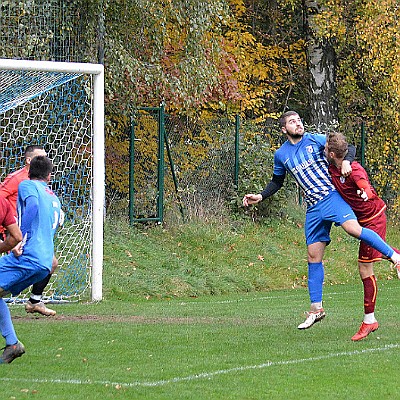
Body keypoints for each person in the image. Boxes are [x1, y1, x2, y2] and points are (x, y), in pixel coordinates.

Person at [242, 111, 400, 330]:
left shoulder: (314, 140)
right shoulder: (281, 155)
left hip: (331, 197)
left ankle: (395, 256)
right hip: (313, 208)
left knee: (353, 229)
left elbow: (348, 147)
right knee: (313, 255)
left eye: (298, 120)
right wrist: (260, 196)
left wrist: (346, 161)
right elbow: (277, 181)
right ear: (283, 129)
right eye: (292, 122)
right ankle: (317, 309)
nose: (297, 123)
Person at [325, 131, 400, 340]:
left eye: (325, 149)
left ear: (331, 153)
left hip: (373, 219)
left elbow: (362, 182)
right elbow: (350, 151)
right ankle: (397, 258)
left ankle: (369, 321)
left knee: (365, 267)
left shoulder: (353, 169)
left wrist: (365, 191)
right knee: (373, 259)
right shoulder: (333, 166)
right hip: (365, 221)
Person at [0, 156, 62, 364]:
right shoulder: (53, 197)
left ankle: (13, 343)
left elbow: (32, 207)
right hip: (44, 264)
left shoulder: (27, 185)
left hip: (28, 257)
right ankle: (12, 344)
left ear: (28, 171)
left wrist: (21, 238)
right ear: (49, 176)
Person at [0, 145, 57, 316]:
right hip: (10, 229)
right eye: (40, 157)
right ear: (29, 160)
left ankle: (34, 300)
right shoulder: (19, 181)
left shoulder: (42, 189)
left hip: (23, 235)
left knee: (52, 262)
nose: (43, 160)